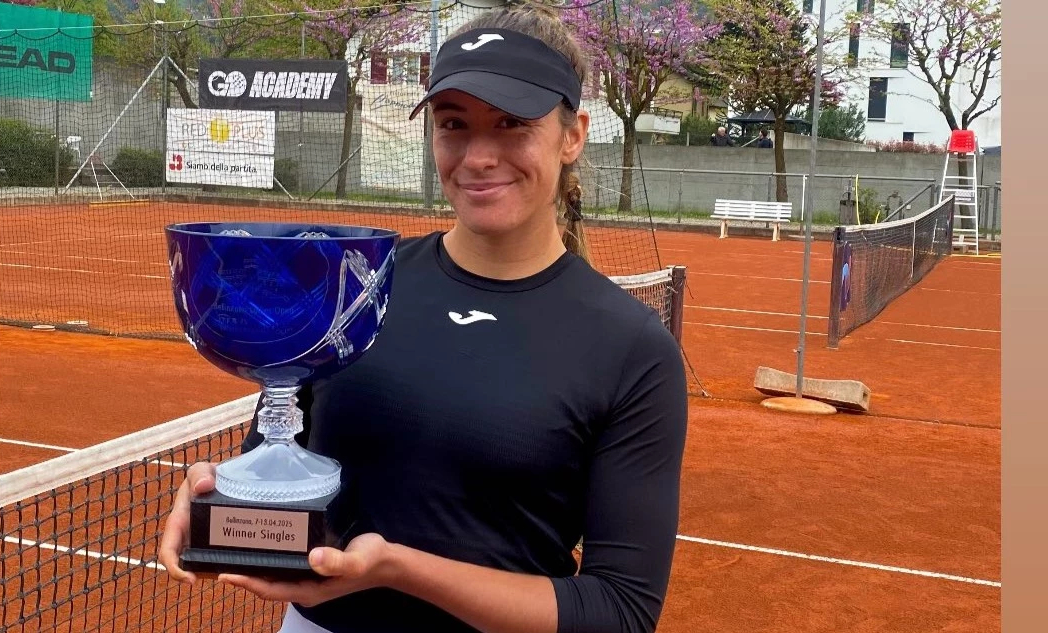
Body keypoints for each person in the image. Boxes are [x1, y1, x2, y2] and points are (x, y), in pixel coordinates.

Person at [158, 6, 689, 633]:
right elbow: (275, 449)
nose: (479, 156)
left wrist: (398, 570)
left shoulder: (631, 347)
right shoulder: (357, 284)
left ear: (572, 134)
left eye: (513, 124)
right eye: (454, 123)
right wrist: (218, 492)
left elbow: (621, 611)